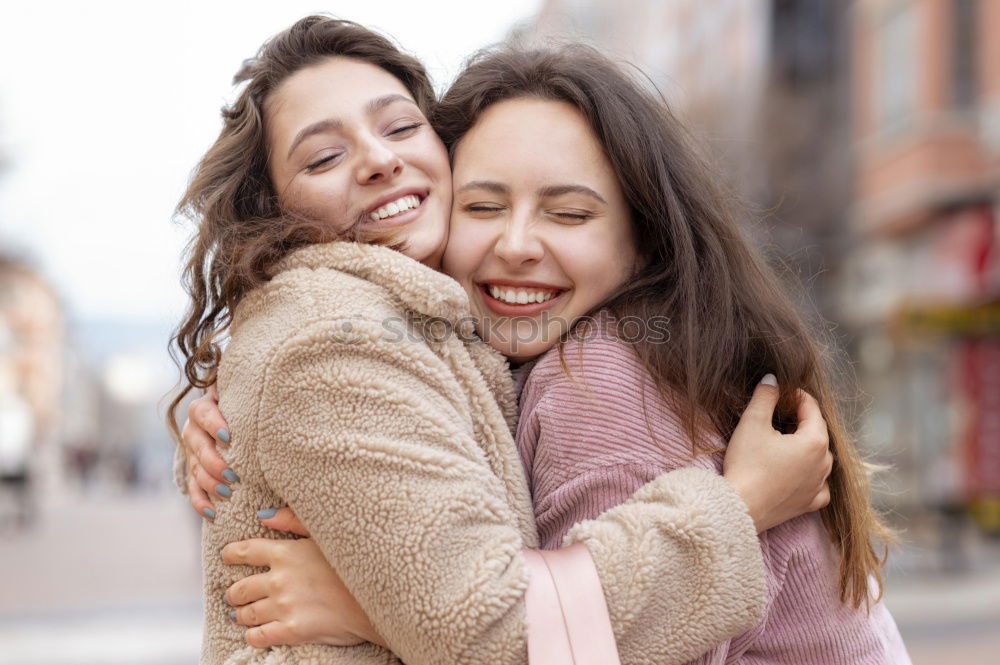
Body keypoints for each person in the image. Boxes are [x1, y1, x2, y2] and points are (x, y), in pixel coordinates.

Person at [170, 16, 834, 665]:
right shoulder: (343, 339)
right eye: (484, 207)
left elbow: (478, 624)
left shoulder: (590, 372)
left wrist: (367, 606)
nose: (379, 159)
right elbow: (484, 626)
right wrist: (739, 505)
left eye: (401, 126)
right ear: (274, 209)